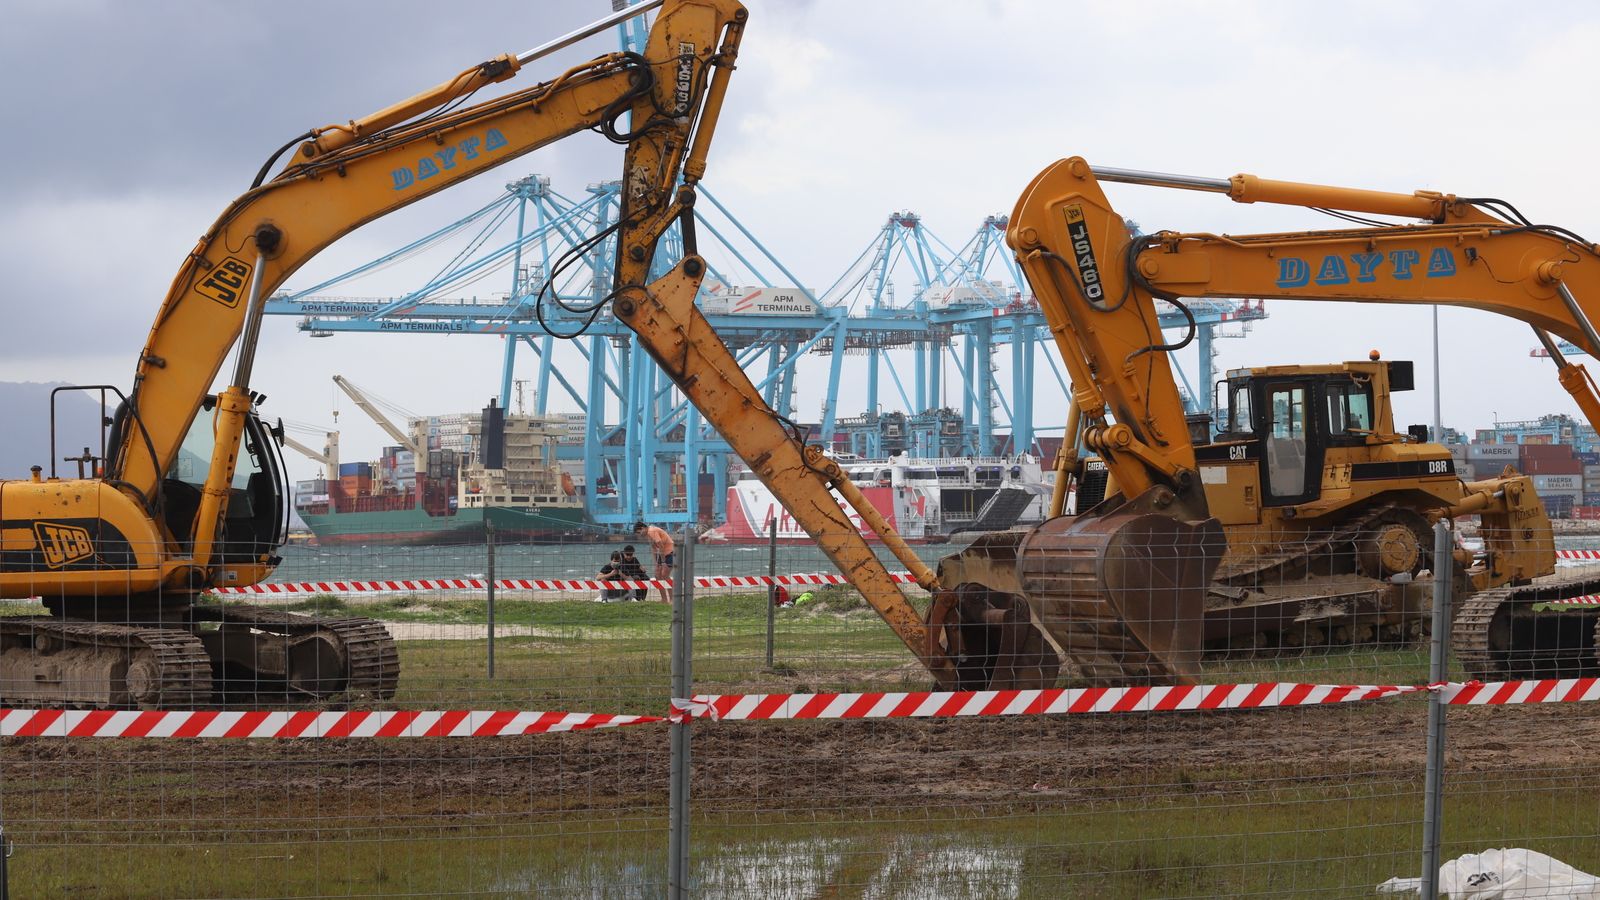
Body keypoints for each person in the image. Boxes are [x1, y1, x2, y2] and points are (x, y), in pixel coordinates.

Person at [633, 521, 675, 604]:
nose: (639, 535)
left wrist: (663, 562)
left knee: (665, 575)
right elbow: (653, 548)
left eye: (639, 532)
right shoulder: (648, 534)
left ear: (642, 528)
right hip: (661, 554)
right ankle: (664, 599)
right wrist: (656, 563)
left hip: (669, 553)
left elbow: (661, 546)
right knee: (657, 575)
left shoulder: (652, 531)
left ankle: (672, 599)